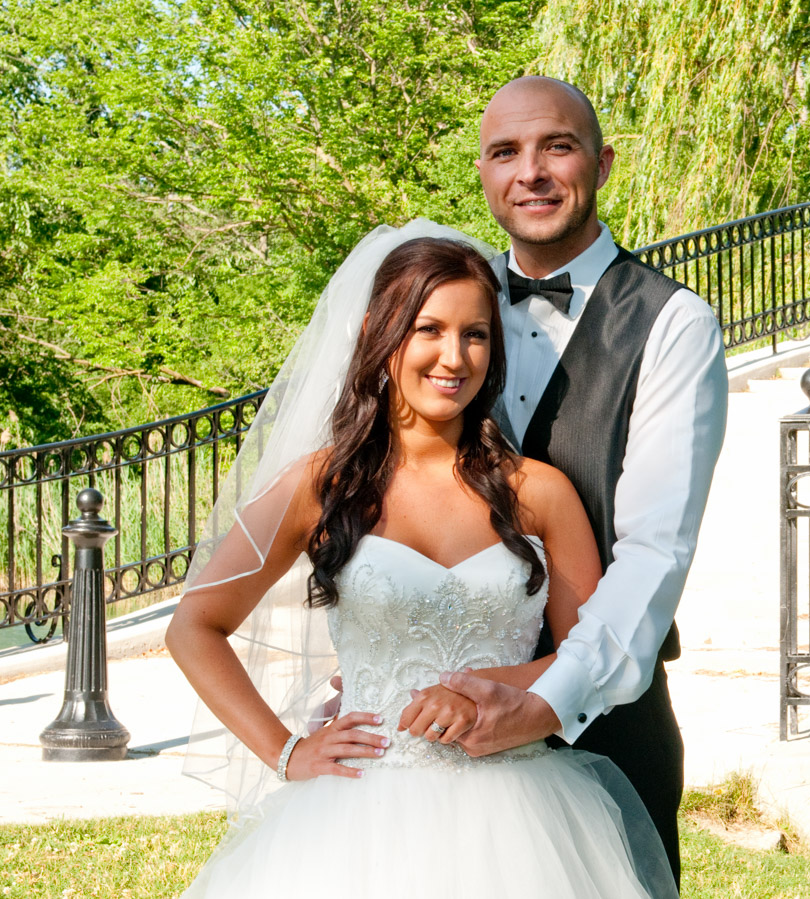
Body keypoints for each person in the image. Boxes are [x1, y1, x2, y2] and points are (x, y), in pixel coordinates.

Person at [166, 226, 676, 898]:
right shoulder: (319, 486)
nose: (453, 356)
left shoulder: (539, 491)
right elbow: (193, 627)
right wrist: (286, 751)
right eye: (428, 329)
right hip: (357, 815)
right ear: (382, 334)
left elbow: (590, 649)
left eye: (475, 333)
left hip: (520, 818)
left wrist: (499, 684)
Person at [431, 75, 730, 885]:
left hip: (605, 721)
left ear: (600, 163)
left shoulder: (673, 324)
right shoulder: (448, 310)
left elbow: (654, 552)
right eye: (505, 152)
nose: (529, 171)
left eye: (555, 146)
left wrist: (545, 702)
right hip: (438, 720)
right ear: (485, 175)